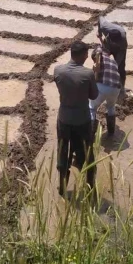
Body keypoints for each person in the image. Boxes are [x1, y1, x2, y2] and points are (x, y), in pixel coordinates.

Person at [54, 41, 98, 197]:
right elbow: (94, 96)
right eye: (86, 54)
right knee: (87, 153)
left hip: (64, 119)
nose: (87, 56)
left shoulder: (58, 70)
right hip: (82, 120)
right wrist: (95, 75)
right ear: (83, 55)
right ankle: (90, 188)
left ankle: (62, 188)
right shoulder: (88, 74)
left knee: (62, 152)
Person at [90, 42, 121, 137]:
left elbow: (98, 50)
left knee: (92, 107)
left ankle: (90, 133)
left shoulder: (99, 56)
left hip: (103, 85)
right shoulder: (113, 61)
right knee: (111, 107)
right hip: (116, 88)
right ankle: (111, 132)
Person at [97, 18, 128, 101]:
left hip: (120, 50)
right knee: (102, 64)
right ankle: (105, 85)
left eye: (116, 43)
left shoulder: (122, 41)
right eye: (114, 42)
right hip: (108, 44)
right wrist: (99, 33)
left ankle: (121, 89)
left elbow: (120, 57)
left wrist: (115, 66)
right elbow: (99, 19)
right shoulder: (105, 27)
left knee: (120, 68)